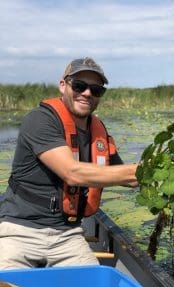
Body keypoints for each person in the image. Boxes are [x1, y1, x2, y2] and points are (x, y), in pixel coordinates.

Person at [0, 57, 138, 270]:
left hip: (67, 233)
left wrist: (158, 172)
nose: (87, 93)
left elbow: (123, 176)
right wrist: (135, 172)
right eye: (80, 85)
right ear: (63, 85)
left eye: (96, 89)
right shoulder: (39, 120)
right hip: (20, 230)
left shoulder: (97, 130)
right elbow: (72, 172)